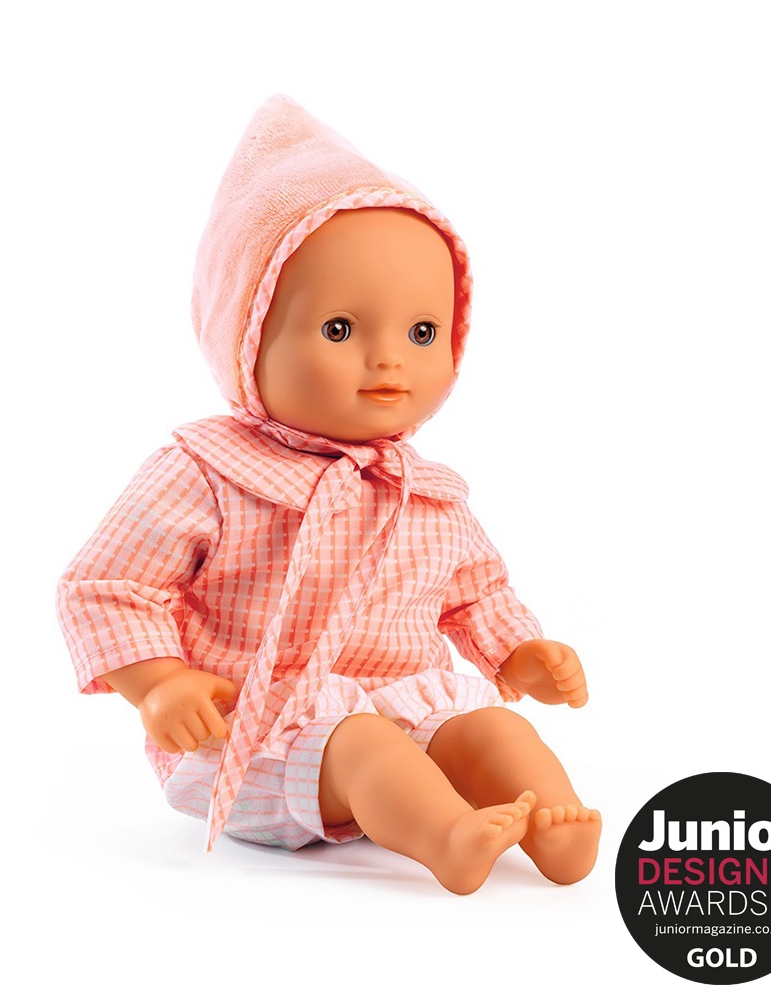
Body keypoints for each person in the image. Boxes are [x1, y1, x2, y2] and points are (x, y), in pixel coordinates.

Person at [57, 96, 600, 894]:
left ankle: (553, 820)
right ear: (246, 337)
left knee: (489, 726)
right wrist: (160, 681)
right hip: (257, 735)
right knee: (363, 748)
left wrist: (520, 652)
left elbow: (476, 593)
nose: (390, 360)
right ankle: (446, 837)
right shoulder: (209, 469)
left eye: (422, 333)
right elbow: (107, 585)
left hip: (404, 710)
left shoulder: (425, 493)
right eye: (341, 330)